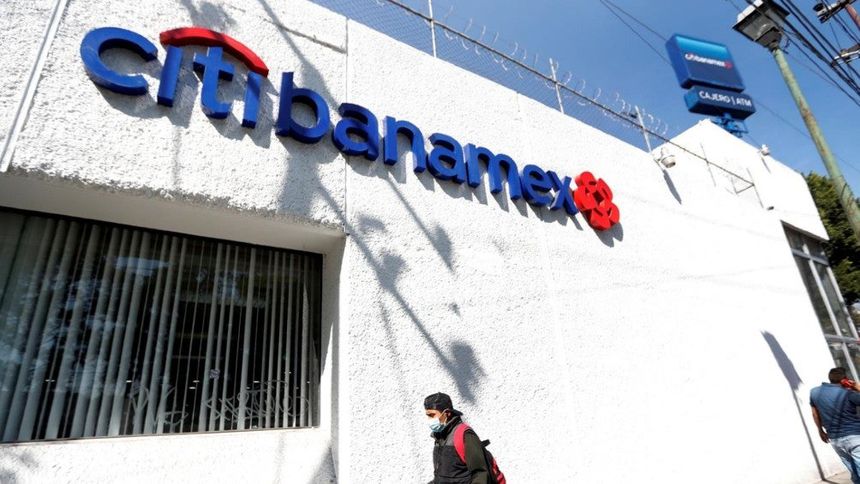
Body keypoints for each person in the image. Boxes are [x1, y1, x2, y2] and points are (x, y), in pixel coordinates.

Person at [424, 392, 489, 484]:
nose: (429, 420)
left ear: (447, 413)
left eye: (432, 415)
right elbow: (443, 477)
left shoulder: (465, 435)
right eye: (427, 415)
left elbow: (480, 474)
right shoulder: (440, 437)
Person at [810, 367, 860, 484]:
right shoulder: (848, 394)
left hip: (835, 439)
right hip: (855, 437)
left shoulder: (814, 392)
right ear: (844, 380)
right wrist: (857, 387)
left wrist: (820, 431)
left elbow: (815, 413)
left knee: (853, 470)